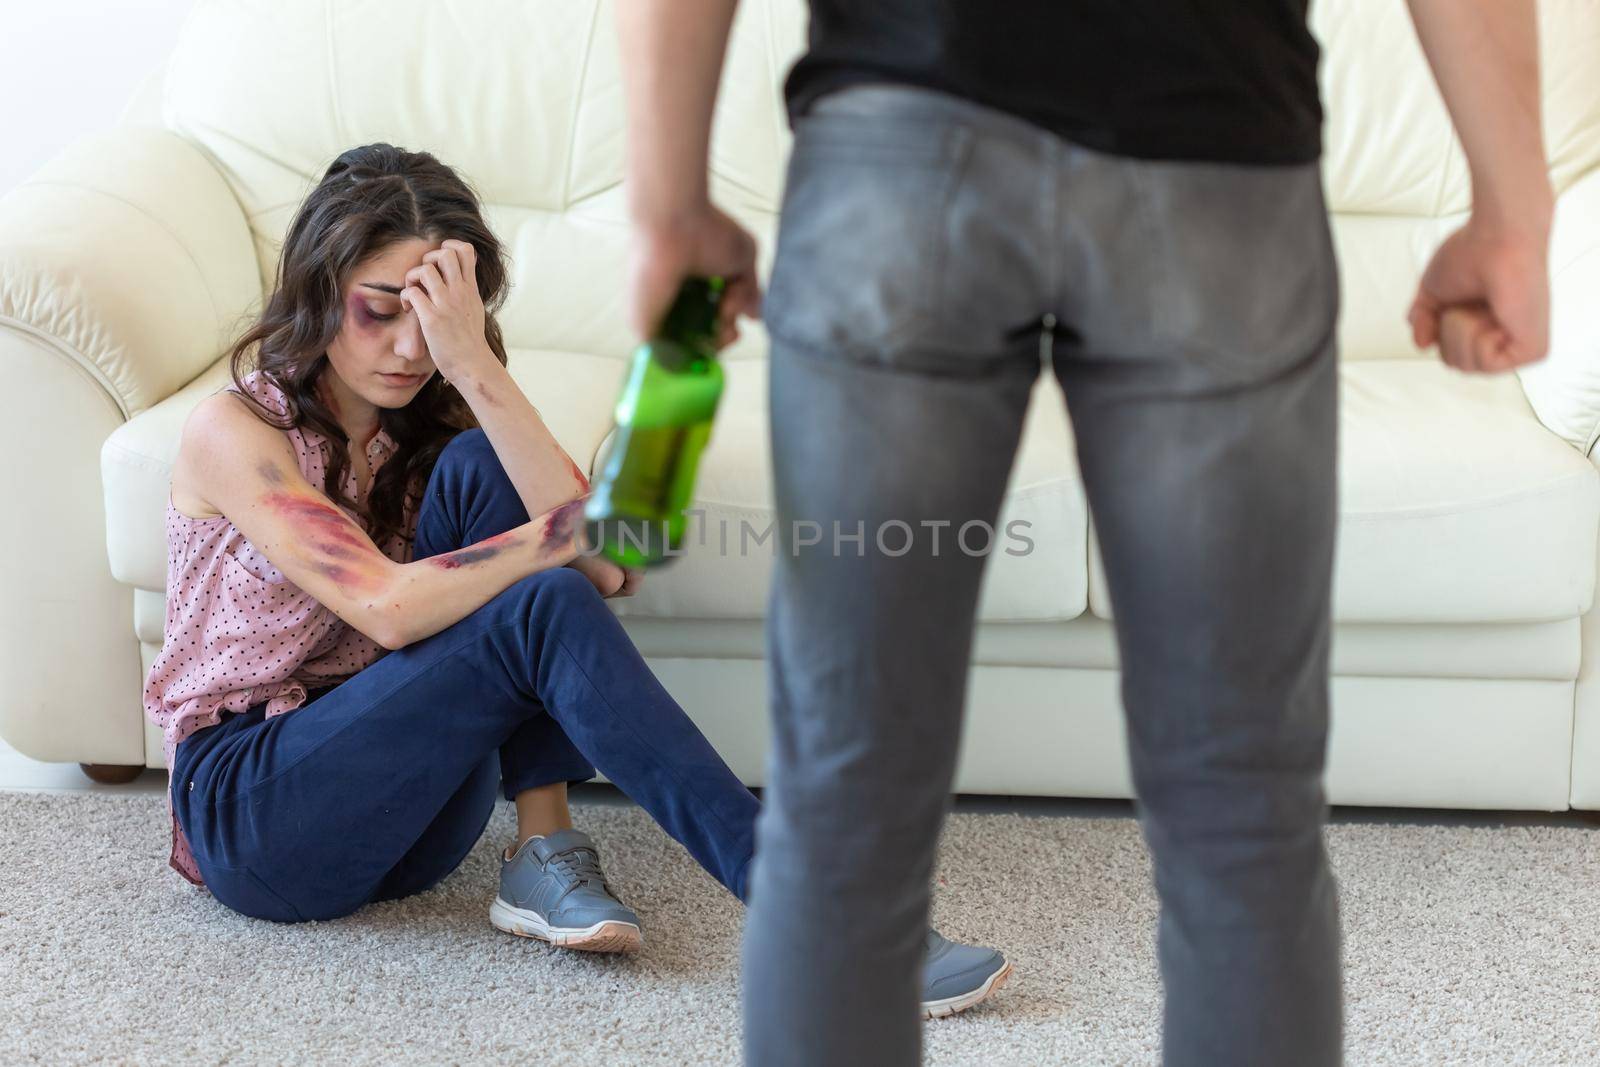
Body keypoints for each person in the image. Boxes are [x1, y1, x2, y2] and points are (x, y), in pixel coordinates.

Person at [615, 2, 1553, 1064]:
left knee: (844, 798)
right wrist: (1513, 208)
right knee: (1238, 808)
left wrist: (665, 203)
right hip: (1216, 157)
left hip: (900, 158)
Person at [145, 142, 1011, 1017]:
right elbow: (387, 606)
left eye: (436, 318)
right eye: (379, 311)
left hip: (412, 819)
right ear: (318, 288)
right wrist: (558, 533)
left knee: (492, 475)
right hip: (258, 816)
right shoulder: (236, 430)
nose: (411, 348)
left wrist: (475, 367)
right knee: (539, 592)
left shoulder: (428, 415)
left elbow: (608, 565)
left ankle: (540, 851)